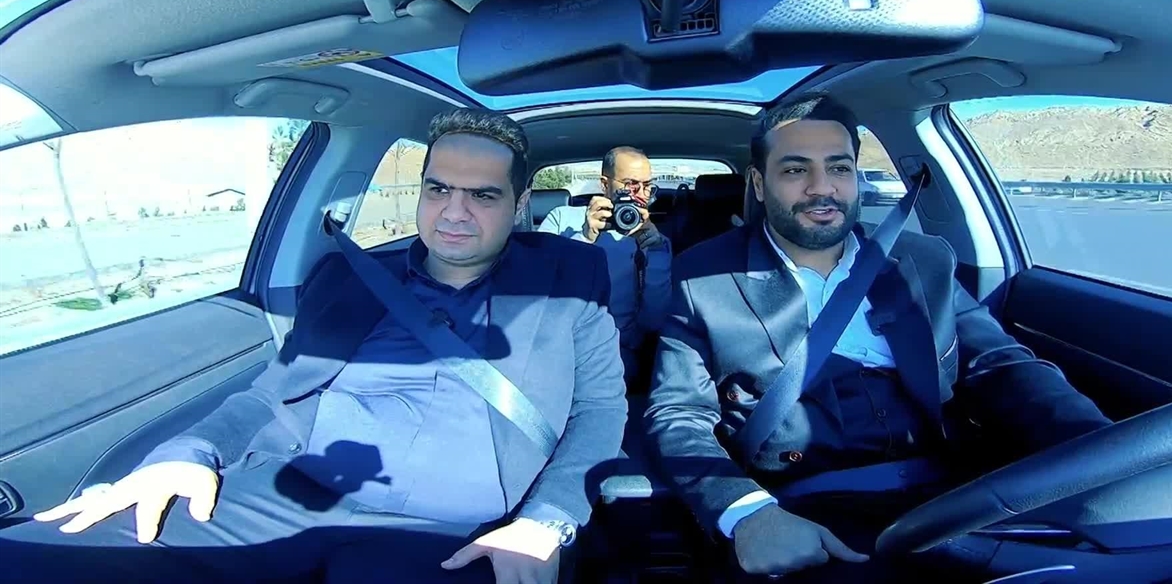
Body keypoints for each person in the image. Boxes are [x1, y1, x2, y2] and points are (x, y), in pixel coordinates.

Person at [1, 109, 628, 584]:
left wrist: (547, 519)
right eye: (438, 189)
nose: (453, 213)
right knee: (35, 555)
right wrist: (188, 452)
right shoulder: (350, 277)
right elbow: (272, 392)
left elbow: (599, 411)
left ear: (520, 204)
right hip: (291, 493)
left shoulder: (571, 277)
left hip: (460, 531)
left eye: (483, 195)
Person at [643, 95, 1112, 581]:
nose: (822, 187)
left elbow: (1005, 367)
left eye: (839, 168)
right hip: (802, 510)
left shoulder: (922, 261)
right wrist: (746, 512)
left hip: (955, 498)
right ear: (760, 184)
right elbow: (678, 413)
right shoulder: (702, 278)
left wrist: (1103, 450)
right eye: (796, 170)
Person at [539, 147, 672, 383]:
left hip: (621, 352)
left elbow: (654, 320)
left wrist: (655, 254)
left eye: (647, 186)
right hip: (560, 345)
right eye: (630, 185)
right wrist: (584, 238)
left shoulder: (653, 240)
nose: (640, 195)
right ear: (604, 184)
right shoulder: (562, 219)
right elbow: (534, 291)